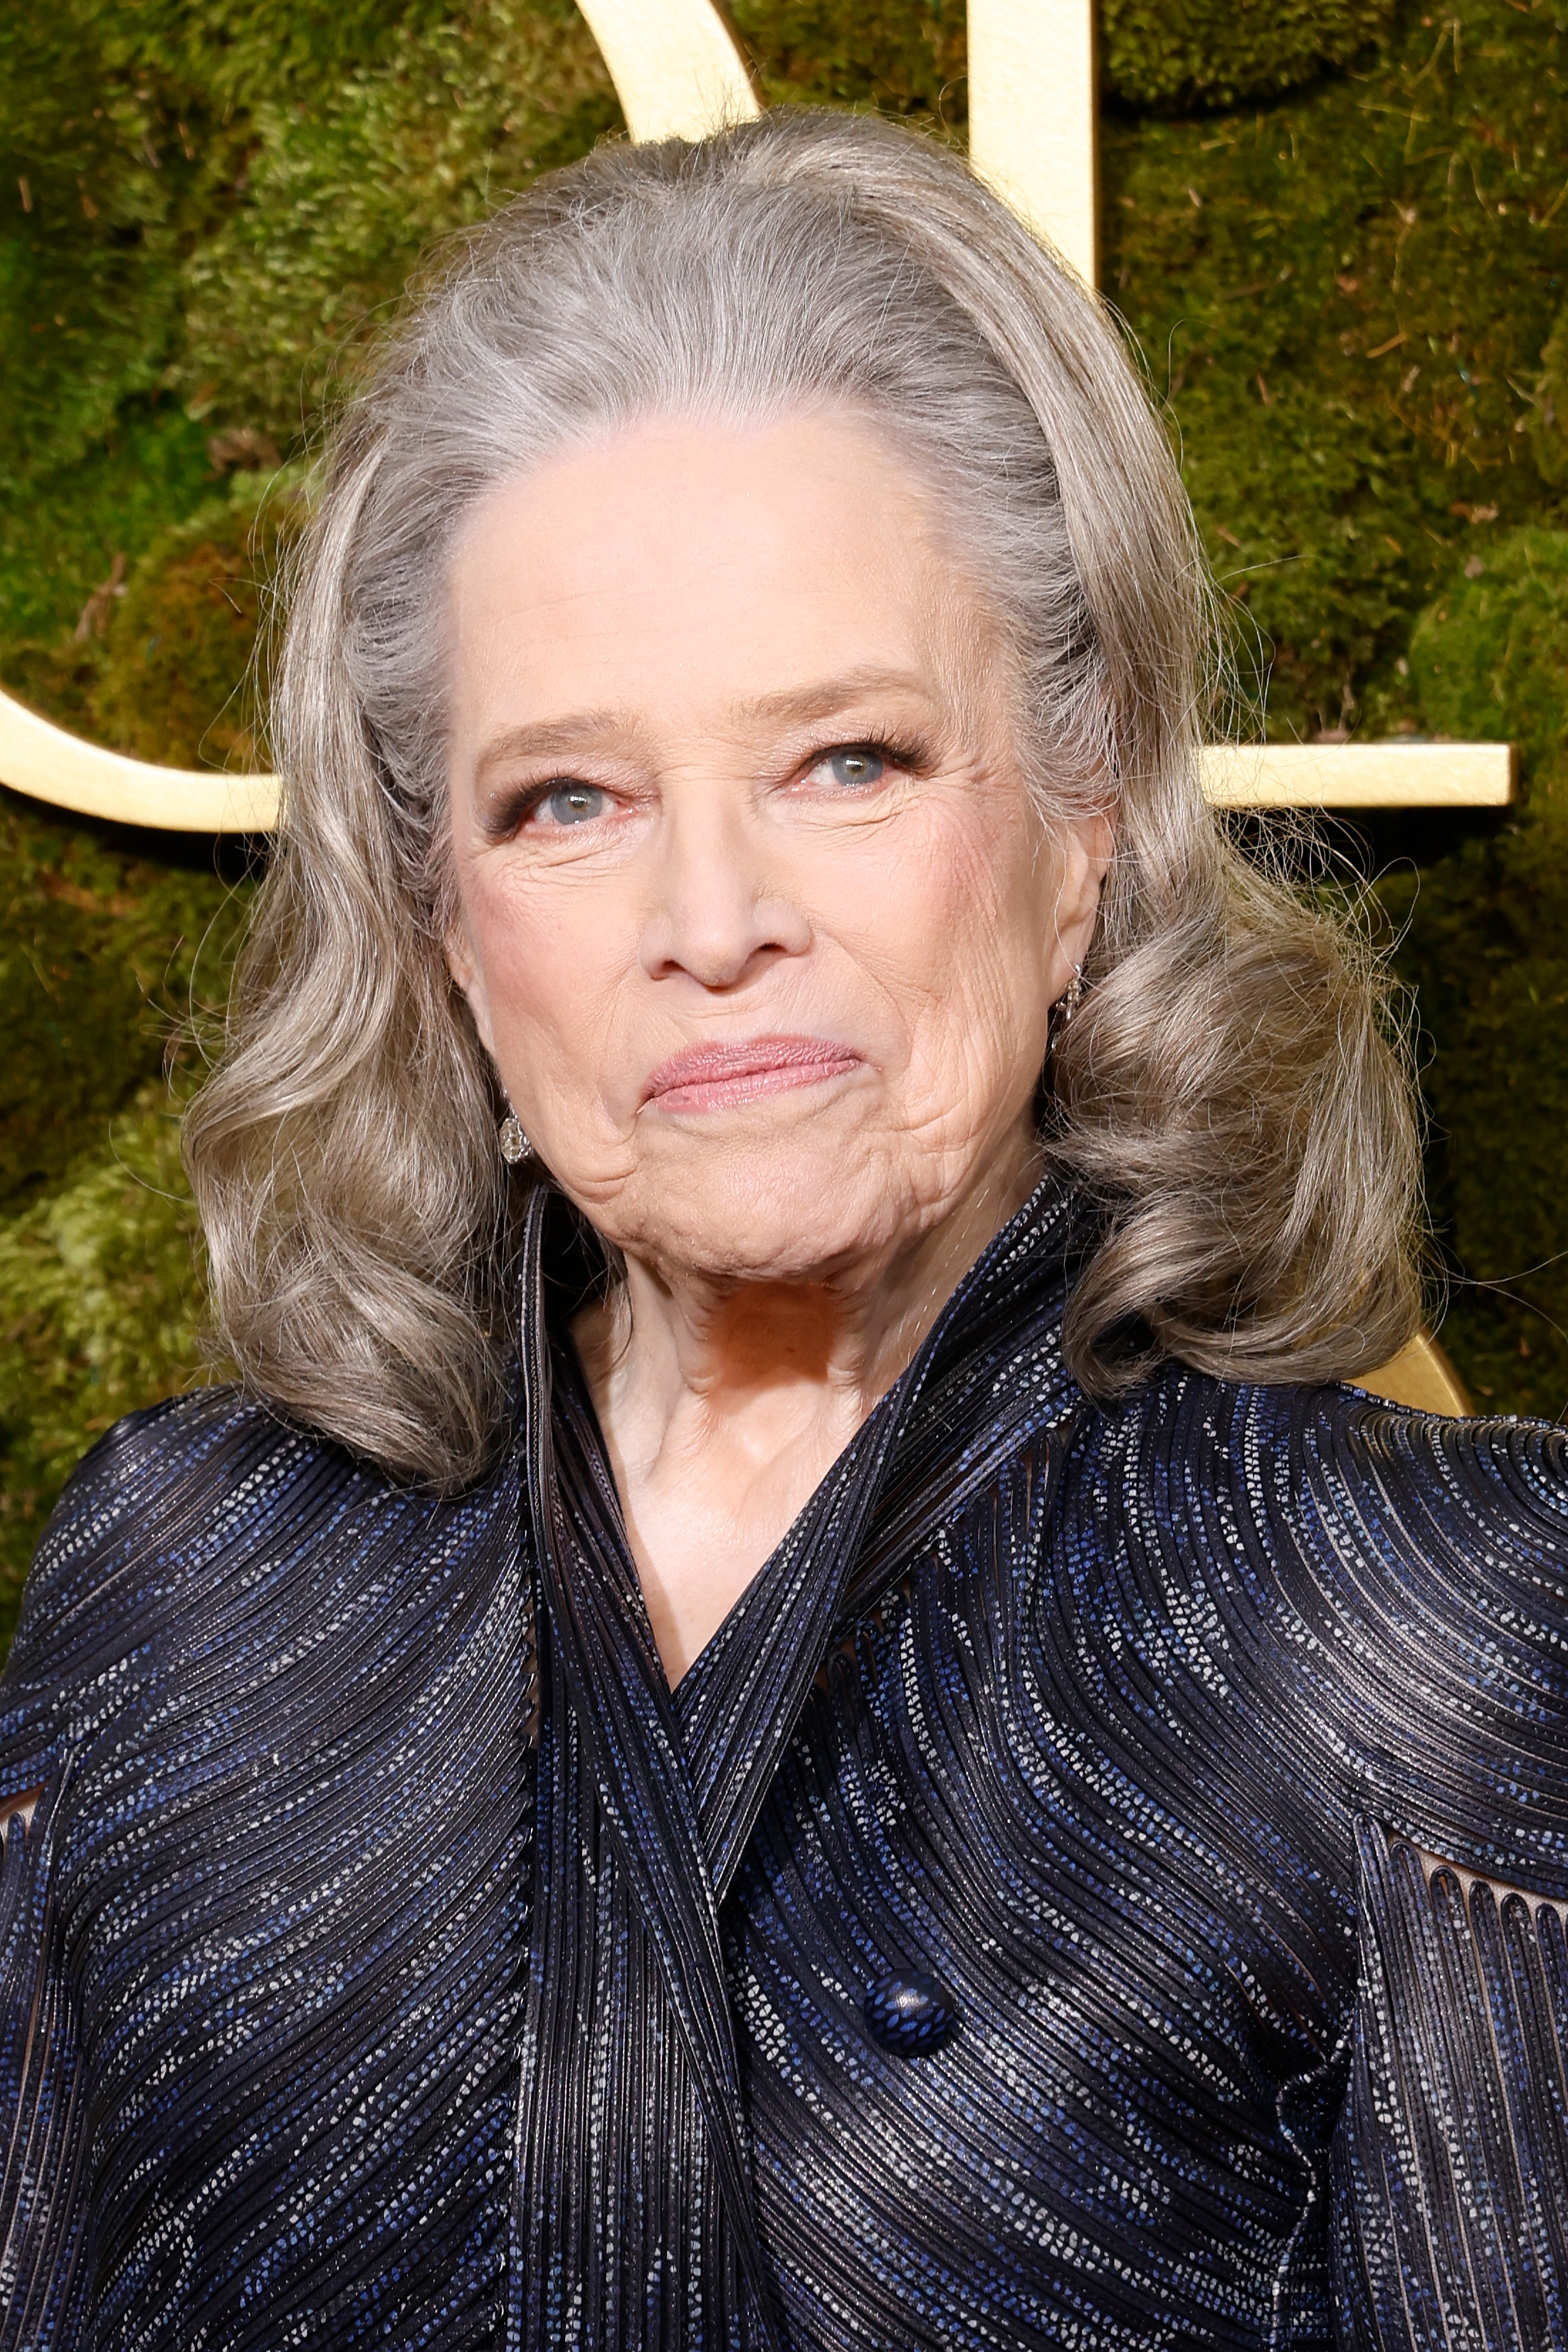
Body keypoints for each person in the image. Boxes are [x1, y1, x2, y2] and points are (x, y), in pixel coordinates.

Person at [0, 107, 1563, 2352]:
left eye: (847, 761)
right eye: (569, 802)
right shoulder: (187, 1585)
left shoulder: (1423, 1628)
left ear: (1082, 820)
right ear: (441, 921)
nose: (711, 921)